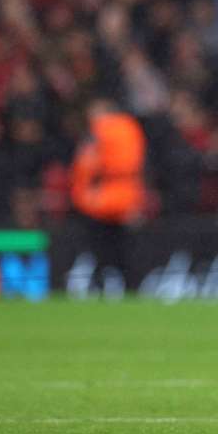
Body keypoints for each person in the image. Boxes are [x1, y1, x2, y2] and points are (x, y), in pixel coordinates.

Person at [70, 97, 147, 294]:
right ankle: (131, 289)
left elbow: (87, 163)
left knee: (101, 249)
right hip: (128, 197)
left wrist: (83, 195)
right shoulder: (131, 128)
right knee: (126, 250)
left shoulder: (99, 130)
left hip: (103, 199)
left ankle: (100, 286)